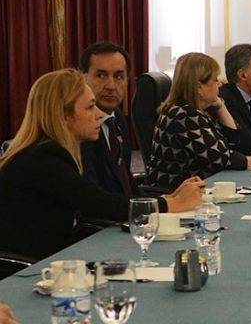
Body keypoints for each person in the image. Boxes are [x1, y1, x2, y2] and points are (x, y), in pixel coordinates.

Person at [0, 69, 204, 260]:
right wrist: (169, 204)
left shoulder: (46, 151)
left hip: (56, 256)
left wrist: (169, 197)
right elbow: (98, 203)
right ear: (63, 115)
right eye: (90, 107)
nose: (99, 114)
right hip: (31, 270)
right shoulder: (43, 158)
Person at [145, 53, 251, 190]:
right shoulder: (184, 114)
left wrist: (220, 106)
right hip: (177, 194)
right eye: (215, 80)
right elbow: (222, 159)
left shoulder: (199, 111)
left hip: (199, 189)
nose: (220, 85)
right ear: (199, 87)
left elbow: (236, 141)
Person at [78, 42, 136, 197]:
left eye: (118, 76)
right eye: (101, 76)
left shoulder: (117, 119)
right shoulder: (78, 126)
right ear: (83, 78)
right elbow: (91, 197)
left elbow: (125, 182)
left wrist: (165, 201)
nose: (111, 86)